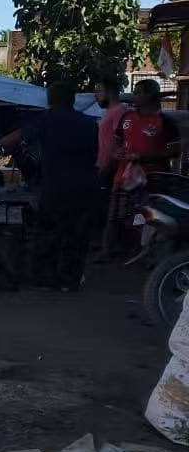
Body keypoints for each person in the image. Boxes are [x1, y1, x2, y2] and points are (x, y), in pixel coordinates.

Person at [23, 82, 101, 291]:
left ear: (51, 99)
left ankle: (45, 279)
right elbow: (96, 154)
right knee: (77, 236)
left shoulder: (46, 119)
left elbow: (20, 138)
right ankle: (69, 281)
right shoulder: (89, 123)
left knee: (48, 232)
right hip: (86, 186)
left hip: (56, 186)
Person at [112, 79, 181, 249]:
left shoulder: (165, 122)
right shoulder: (126, 117)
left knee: (147, 219)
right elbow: (116, 142)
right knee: (116, 217)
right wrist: (117, 152)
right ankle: (113, 250)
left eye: (138, 92)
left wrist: (145, 156)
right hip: (124, 178)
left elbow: (174, 150)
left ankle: (146, 252)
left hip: (153, 180)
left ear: (150, 96)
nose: (134, 96)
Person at [95, 77, 131, 259]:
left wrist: (108, 166)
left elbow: (119, 143)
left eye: (98, 91)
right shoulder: (109, 112)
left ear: (109, 92)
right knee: (104, 211)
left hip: (113, 170)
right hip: (105, 168)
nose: (96, 96)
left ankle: (111, 249)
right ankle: (106, 246)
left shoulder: (120, 111)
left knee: (112, 213)